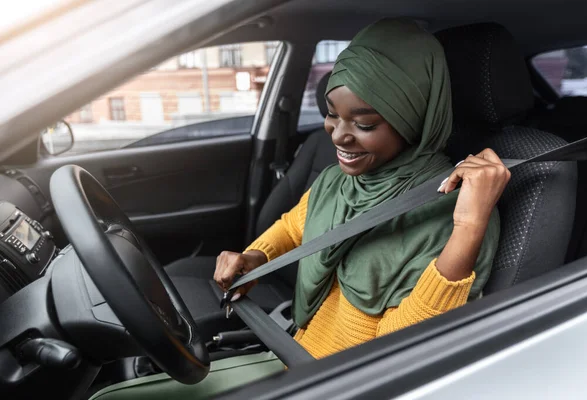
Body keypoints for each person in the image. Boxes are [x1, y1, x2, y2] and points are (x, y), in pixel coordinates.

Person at [91, 18, 509, 399]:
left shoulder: (454, 206)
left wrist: (471, 224)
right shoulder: (341, 180)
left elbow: (404, 350)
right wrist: (256, 257)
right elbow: (294, 228)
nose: (339, 136)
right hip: (293, 345)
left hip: (343, 381)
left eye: (364, 124)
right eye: (331, 116)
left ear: (415, 118)